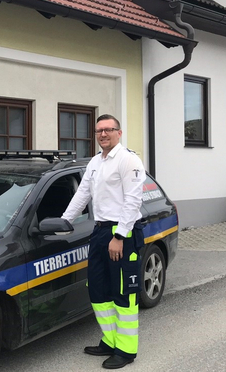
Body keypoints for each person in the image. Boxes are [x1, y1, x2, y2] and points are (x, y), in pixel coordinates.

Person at [61, 114, 145, 369]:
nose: (103, 134)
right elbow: (82, 193)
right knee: (98, 291)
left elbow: (133, 200)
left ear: (119, 133)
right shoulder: (96, 162)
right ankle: (110, 341)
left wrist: (119, 236)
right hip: (99, 232)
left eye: (108, 129)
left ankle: (126, 350)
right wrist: (65, 221)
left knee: (123, 293)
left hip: (122, 233)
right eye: (99, 130)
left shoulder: (129, 160)